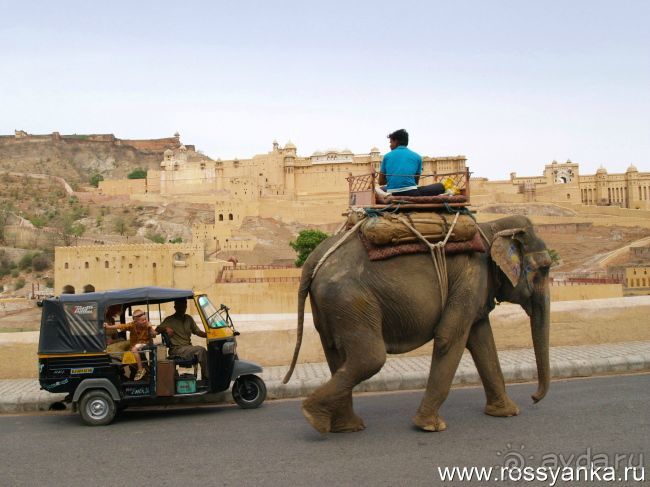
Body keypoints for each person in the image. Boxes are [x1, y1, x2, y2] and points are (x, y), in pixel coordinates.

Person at [378, 129, 445, 197]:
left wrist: (392, 178)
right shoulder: (417, 157)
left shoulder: (387, 156)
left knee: (380, 189)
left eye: (391, 142)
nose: (390, 145)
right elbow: (416, 182)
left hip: (392, 193)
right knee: (440, 186)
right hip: (412, 193)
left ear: (396, 141)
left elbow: (380, 182)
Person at [157, 299, 209, 383]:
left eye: (184, 307)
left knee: (206, 352)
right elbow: (157, 329)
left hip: (188, 348)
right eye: (180, 307)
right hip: (177, 350)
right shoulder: (169, 320)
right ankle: (207, 378)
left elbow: (197, 331)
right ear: (175, 307)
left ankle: (205, 377)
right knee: (201, 350)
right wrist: (165, 328)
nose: (182, 309)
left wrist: (210, 334)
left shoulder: (189, 318)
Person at [105, 309, 157, 381]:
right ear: (136, 322)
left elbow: (154, 335)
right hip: (134, 347)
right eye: (142, 320)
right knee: (131, 357)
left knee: (134, 349)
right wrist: (108, 327)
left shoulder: (147, 325)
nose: (145, 321)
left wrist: (150, 327)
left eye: (145, 319)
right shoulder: (132, 325)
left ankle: (140, 370)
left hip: (144, 343)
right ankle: (140, 372)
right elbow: (121, 326)